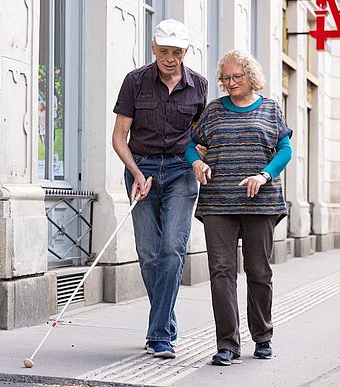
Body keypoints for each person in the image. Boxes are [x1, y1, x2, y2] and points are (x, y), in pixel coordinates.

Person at [185, 50, 292, 366]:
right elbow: (192, 145)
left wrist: (264, 174)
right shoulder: (214, 112)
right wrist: (197, 164)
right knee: (221, 272)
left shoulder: (271, 109)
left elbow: (285, 149)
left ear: (251, 77)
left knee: (259, 271)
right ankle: (227, 344)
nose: (230, 82)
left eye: (236, 77)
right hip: (218, 201)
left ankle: (263, 336)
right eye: (226, 78)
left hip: (261, 203)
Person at [112, 19, 208, 359]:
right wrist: (136, 172)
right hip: (142, 169)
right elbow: (118, 137)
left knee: (172, 249)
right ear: (154, 49)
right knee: (149, 252)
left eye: (177, 52)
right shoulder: (135, 82)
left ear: (186, 52)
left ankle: (159, 335)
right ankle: (165, 324)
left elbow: (199, 138)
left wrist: (199, 159)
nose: (170, 58)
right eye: (164, 51)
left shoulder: (199, 86)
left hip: (181, 172)